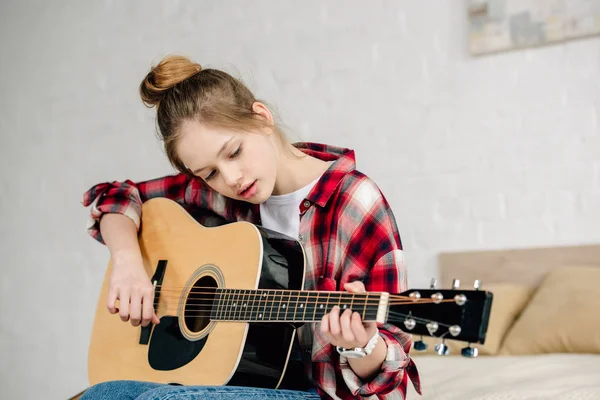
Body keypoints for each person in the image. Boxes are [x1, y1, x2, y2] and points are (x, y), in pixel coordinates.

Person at [80, 55, 420, 400]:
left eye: (234, 152)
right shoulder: (221, 196)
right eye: (209, 173)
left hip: (320, 392)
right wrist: (127, 262)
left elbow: (391, 376)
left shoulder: (355, 202)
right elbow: (118, 196)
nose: (230, 178)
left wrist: (361, 346)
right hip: (250, 385)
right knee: (101, 394)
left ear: (261, 118)